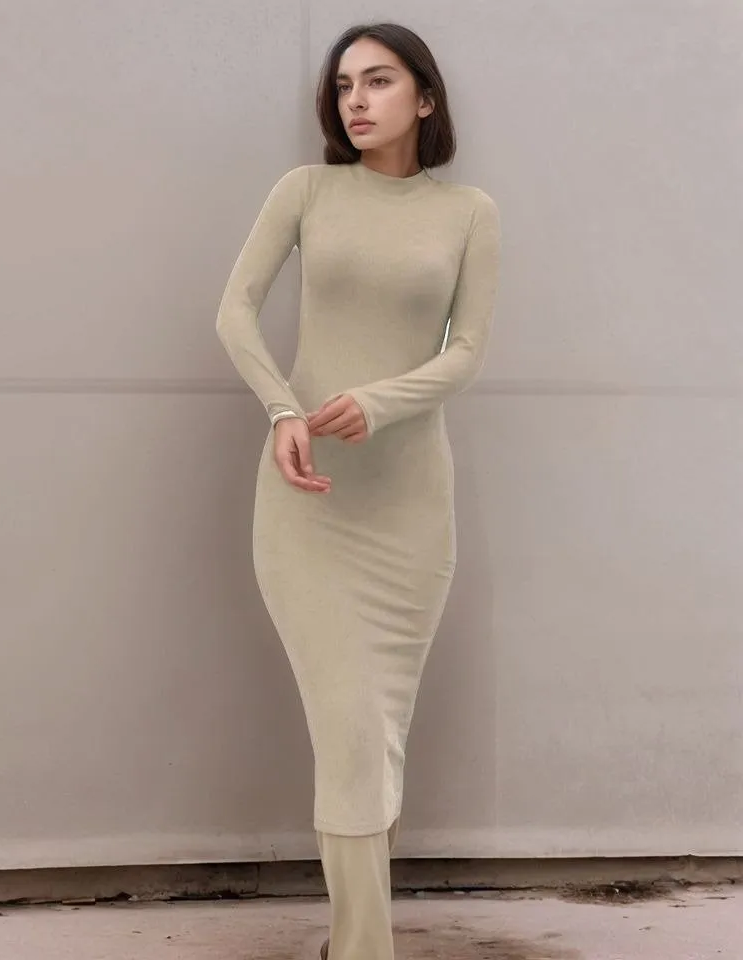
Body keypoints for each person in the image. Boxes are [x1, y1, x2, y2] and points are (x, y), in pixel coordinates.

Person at [216, 20, 501, 960]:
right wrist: (281, 408)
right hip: (310, 504)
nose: (356, 100)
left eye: (378, 81)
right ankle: (364, 949)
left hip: (411, 515)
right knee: (348, 729)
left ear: (425, 97)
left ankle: (355, 940)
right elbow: (234, 311)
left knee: (378, 734)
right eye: (344, 86)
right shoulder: (305, 192)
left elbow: (466, 352)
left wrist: (377, 401)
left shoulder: (469, 213)